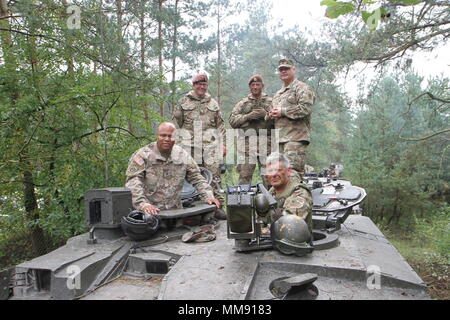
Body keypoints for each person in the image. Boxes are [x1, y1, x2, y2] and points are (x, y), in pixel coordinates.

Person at [125, 122, 221, 216]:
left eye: (170, 136)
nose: (167, 139)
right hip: (149, 213)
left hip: (176, 213)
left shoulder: (182, 155)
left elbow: (197, 178)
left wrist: (208, 196)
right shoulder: (143, 155)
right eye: (163, 135)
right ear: (157, 136)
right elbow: (133, 183)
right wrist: (143, 205)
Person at [172, 73, 227, 219]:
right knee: (193, 177)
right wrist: (176, 147)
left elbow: (220, 126)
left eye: (204, 84)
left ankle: (217, 208)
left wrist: (223, 144)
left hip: (210, 147)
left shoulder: (213, 103)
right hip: (189, 147)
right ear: (193, 85)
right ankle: (195, 211)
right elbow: (176, 125)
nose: (201, 87)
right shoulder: (183, 102)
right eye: (198, 84)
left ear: (207, 85)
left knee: (214, 178)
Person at [267, 58, 316, 181]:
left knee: (292, 174)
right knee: (279, 175)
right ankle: (283, 200)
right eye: (281, 69)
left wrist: (283, 111)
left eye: (286, 69)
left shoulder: (302, 88)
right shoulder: (278, 94)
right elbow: (272, 115)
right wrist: (270, 115)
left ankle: (296, 200)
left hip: (295, 139)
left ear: (294, 70)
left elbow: (305, 108)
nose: (283, 71)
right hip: (279, 141)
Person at [229, 74, 273, 185]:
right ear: (249, 87)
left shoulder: (271, 102)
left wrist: (266, 115)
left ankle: (272, 201)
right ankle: (243, 202)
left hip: (267, 144)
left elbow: (280, 122)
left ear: (262, 86)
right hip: (247, 145)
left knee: (269, 177)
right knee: (244, 176)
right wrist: (248, 116)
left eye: (257, 84)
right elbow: (232, 121)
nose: (255, 87)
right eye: (253, 85)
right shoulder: (243, 104)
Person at [264, 152, 313, 233]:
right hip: (269, 241)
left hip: (295, 243)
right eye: (270, 171)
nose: (274, 174)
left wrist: (260, 231)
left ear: (288, 171)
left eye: (278, 170)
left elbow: (289, 223)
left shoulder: (300, 191)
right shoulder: (270, 192)